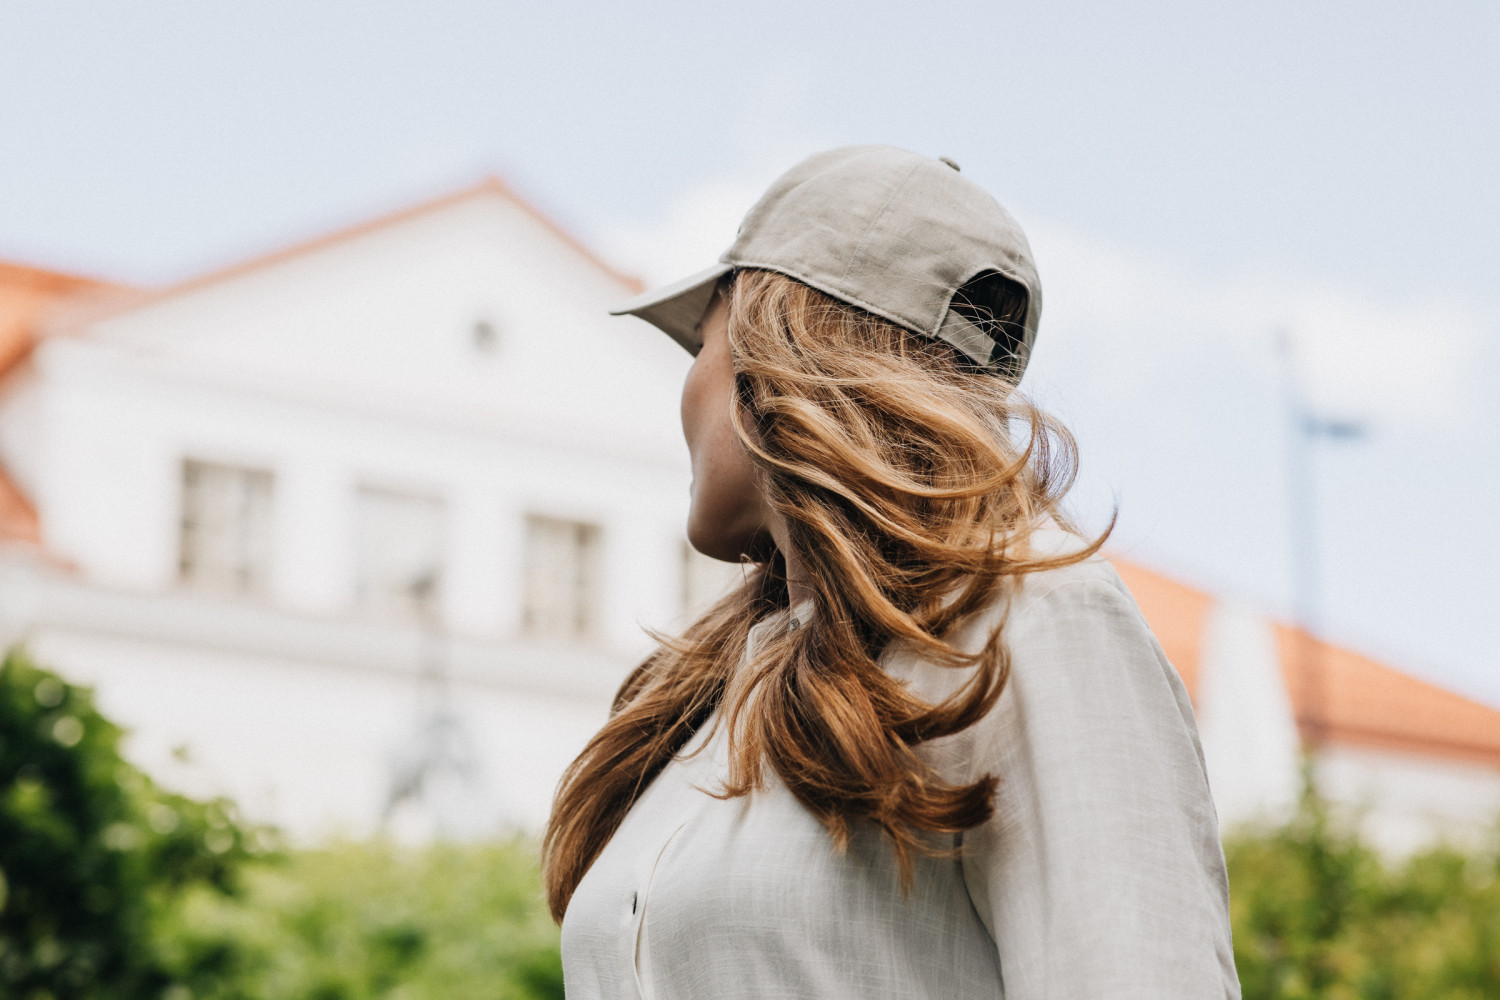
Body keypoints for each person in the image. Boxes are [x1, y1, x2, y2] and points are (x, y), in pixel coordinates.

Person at [545, 145, 1240, 998]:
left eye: (701, 337)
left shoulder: (1037, 621)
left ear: (769, 345)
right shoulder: (718, 700)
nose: (685, 383)